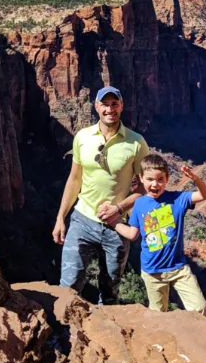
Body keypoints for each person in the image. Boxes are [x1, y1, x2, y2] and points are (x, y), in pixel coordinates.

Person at [52, 86, 149, 304]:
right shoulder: (82, 137)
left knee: (109, 294)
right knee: (68, 288)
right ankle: (62, 336)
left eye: (115, 104)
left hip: (117, 226)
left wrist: (119, 209)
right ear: (96, 107)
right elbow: (74, 179)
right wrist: (60, 218)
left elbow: (145, 188)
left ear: (121, 106)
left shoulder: (136, 142)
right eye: (105, 104)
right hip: (82, 220)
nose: (110, 109)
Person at [108, 152, 206, 314]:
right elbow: (132, 233)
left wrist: (195, 178)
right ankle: (159, 340)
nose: (155, 184)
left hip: (178, 268)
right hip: (152, 271)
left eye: (160, 179)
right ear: (141, 178)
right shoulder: (139, 204)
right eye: (150, 179)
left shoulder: (178, 199)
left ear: (167, 179)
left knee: (199, 307)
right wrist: (113, 222)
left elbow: (205, 195)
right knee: (158, 312)